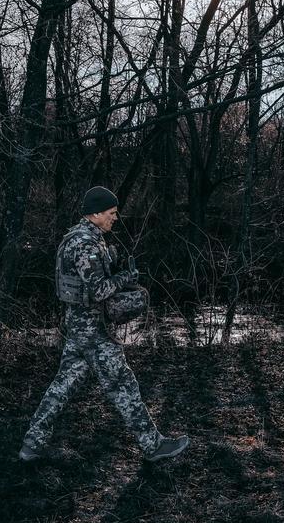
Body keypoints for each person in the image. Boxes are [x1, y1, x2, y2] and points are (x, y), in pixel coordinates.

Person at [19, 186, 190, 462]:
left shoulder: (80, 238)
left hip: (79, 327)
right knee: (123, 384)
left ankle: (31, 444)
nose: (115, 218)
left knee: (63, 386)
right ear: (95, 213)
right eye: (111, 213)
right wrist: (125, 278)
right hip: (93, 330)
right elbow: (98, 291)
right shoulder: (85, 244)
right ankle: (153, 446)